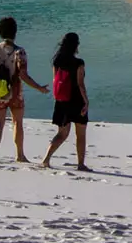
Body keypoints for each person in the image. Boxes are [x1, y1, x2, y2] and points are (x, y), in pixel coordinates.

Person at [0, 17, 48, 163]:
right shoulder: (19, 52)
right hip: (15, 90)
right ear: (15, 32)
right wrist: (39, 87)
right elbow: (23, 75)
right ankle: (20, 155)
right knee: (17, 123)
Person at [41, 32, 90, 171]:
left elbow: (55, 81)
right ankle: (81, 164)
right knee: (80, 134)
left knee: (62, 134)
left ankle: (46, 159)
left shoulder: (57, 61)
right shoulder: (79, 63)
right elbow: (80, 84)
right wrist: (86, 101)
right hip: (77, 100)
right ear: (75, 45)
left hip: (62, 100)